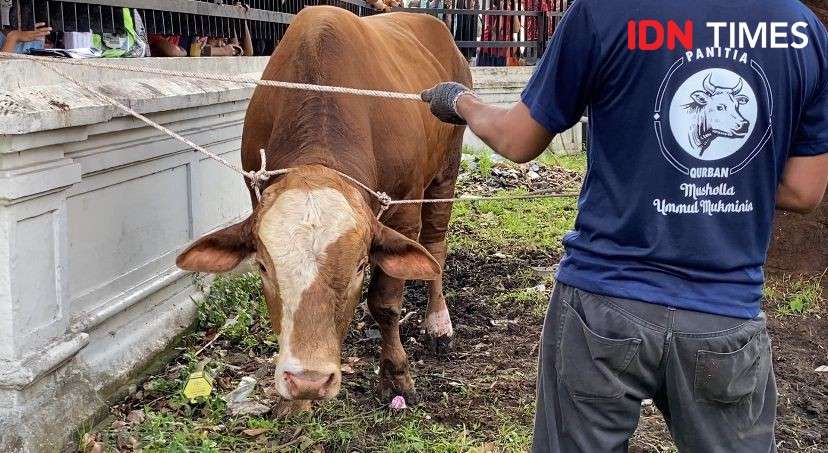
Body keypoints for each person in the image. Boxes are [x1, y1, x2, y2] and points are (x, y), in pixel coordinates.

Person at [422, 0, 828, 451]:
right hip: (724, 316)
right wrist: (716, 177)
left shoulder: (605, 10)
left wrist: (462, 102)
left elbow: (517, 140)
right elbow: (804, 191)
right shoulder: (799, 28)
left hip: (604, 303)